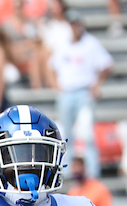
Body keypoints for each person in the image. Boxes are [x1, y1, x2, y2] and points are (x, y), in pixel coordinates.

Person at [47, 14, 113, 181]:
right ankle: (68, 170)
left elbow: (107, 65)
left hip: (84, 91)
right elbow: (51, 66)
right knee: (66, 133)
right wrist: (56, 85)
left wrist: (96, 85)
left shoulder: (90, 43)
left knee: (87, 133)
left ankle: (92, 170)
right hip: (67, 92)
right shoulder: (62, 44)